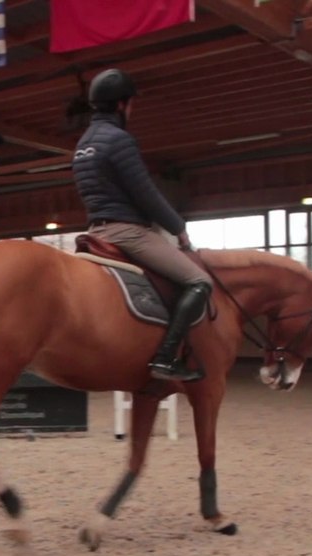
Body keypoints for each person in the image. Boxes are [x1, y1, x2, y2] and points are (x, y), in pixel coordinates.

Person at [71, 67, 212, 382]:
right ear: (122, 105)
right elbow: (146, 193)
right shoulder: (119, 140)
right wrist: (178, 227)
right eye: (131, 103)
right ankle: (165, 358)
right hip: (127, 231)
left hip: (96, 229)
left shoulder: (82, 145)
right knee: (200, 281)